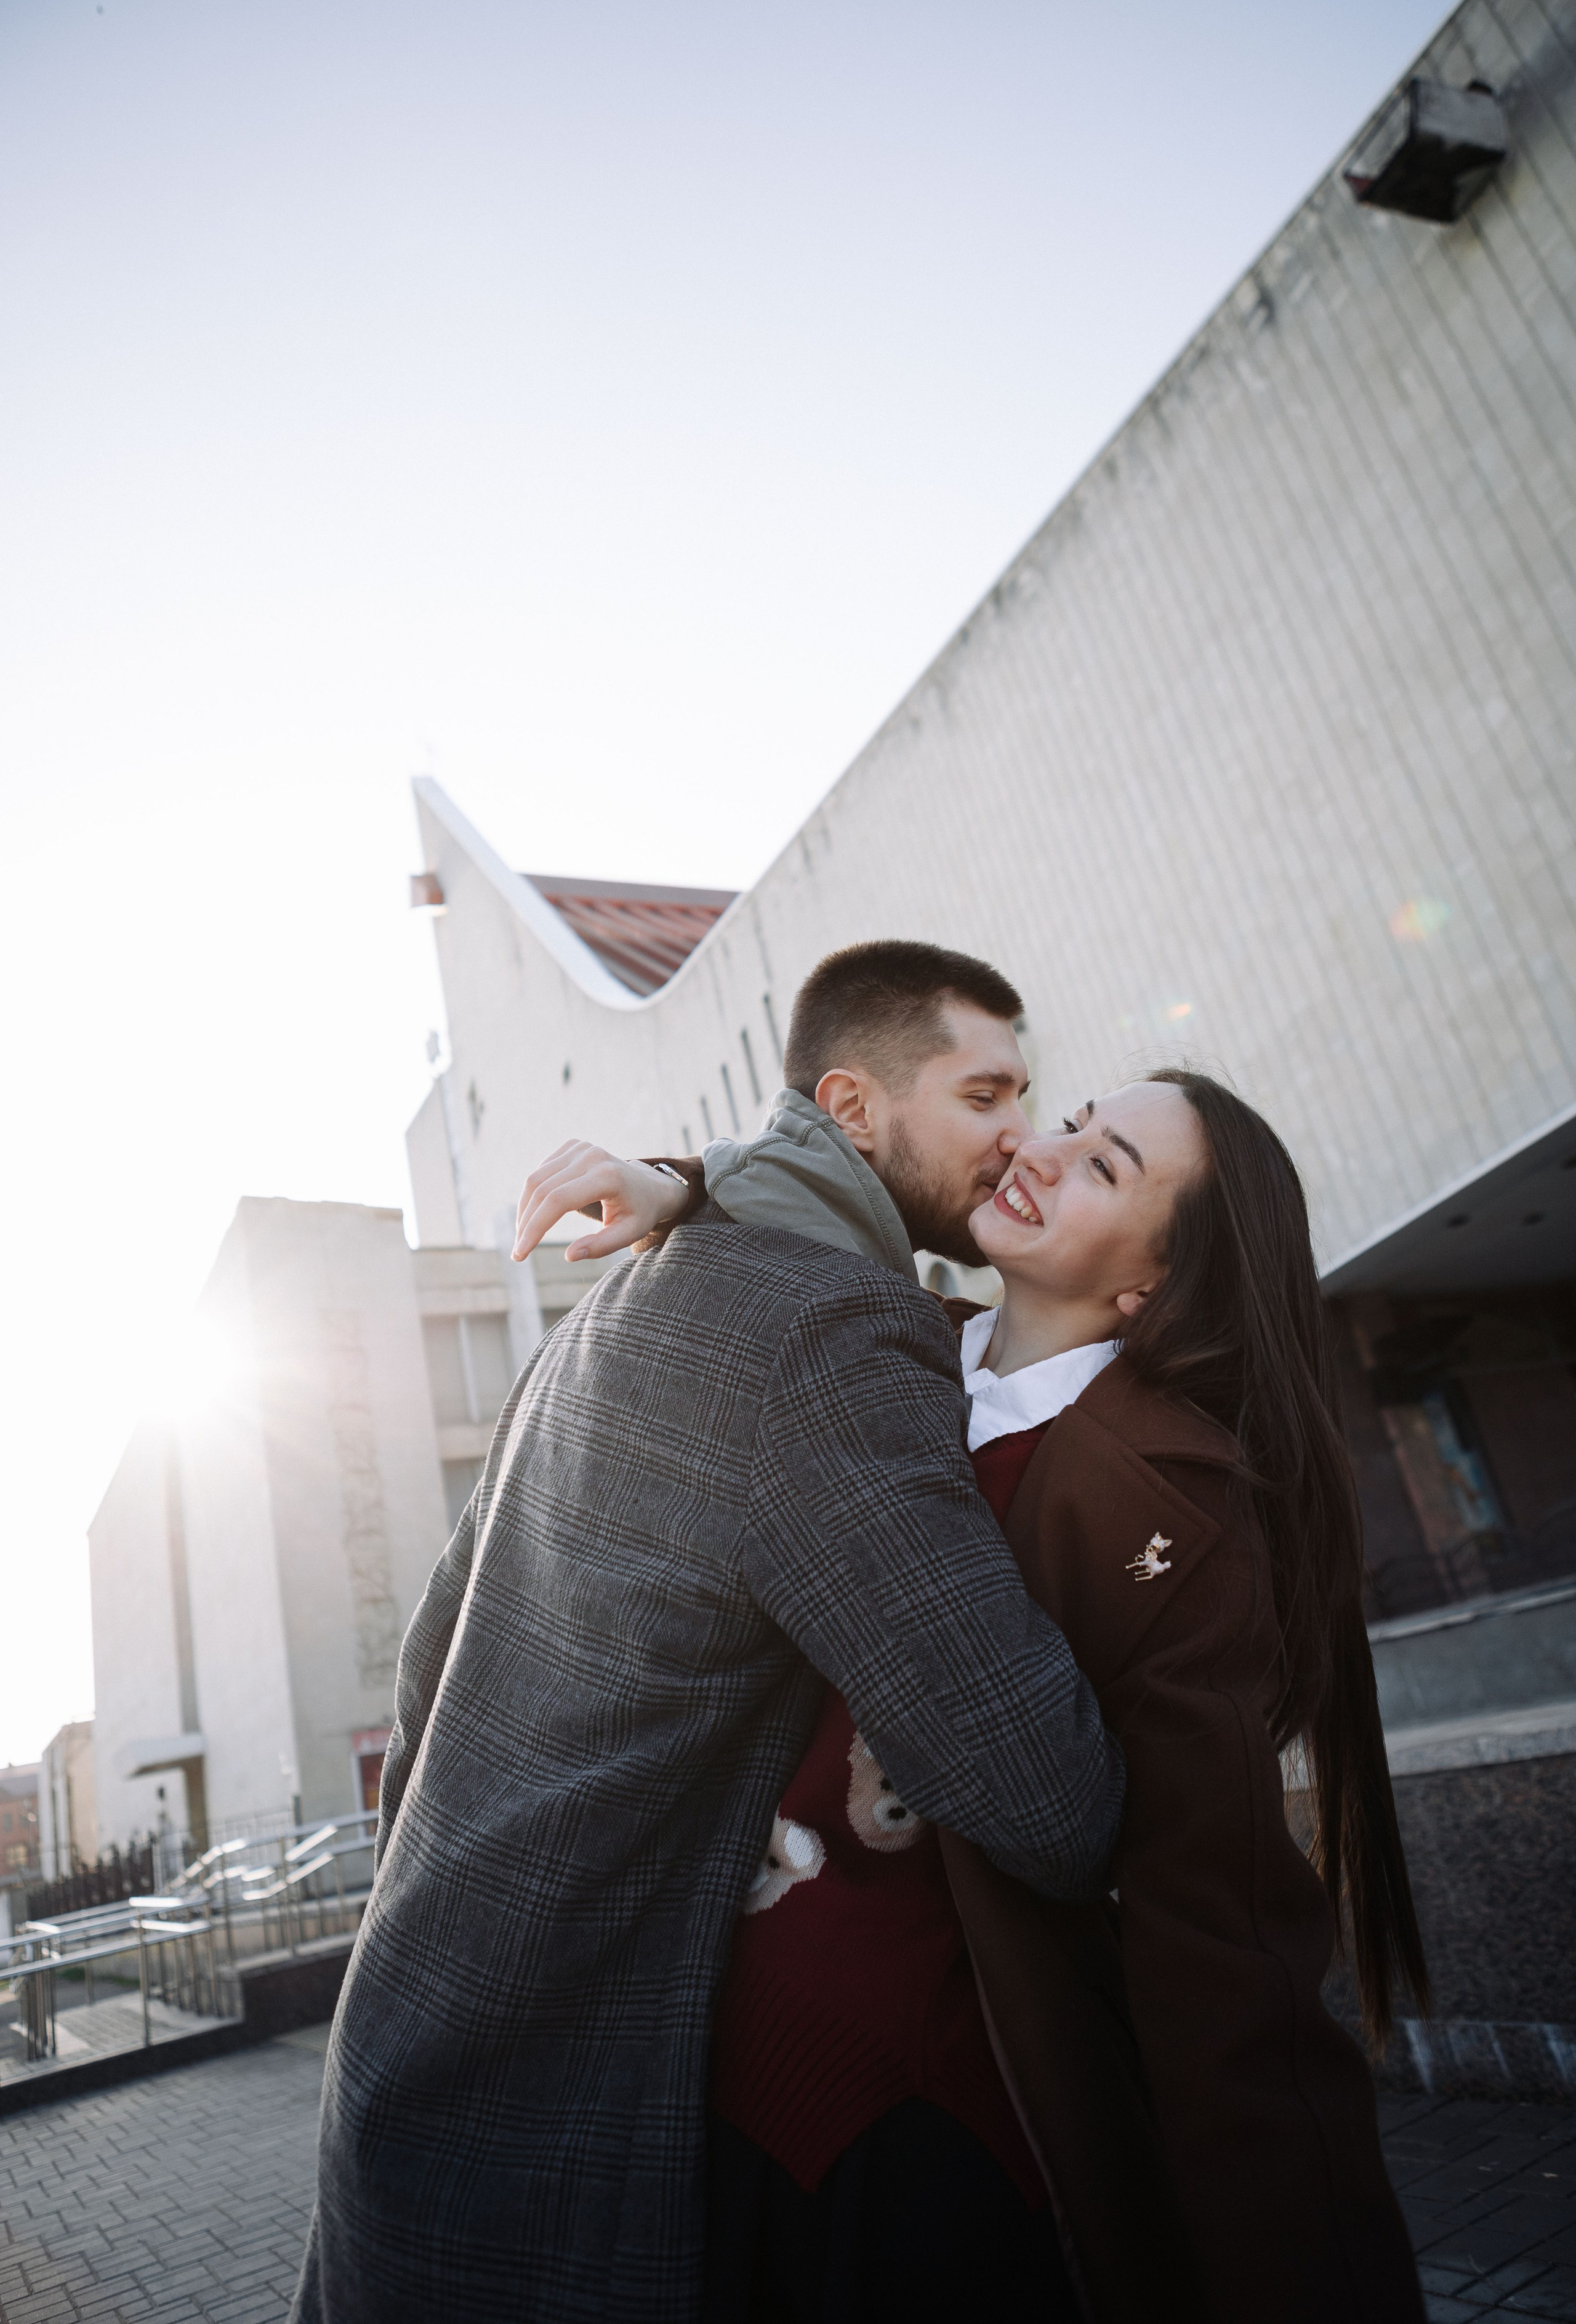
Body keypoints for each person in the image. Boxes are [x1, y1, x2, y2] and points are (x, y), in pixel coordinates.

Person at [291, 941, 1124, 2324]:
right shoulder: (820, 1329)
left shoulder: (626, 1296)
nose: (1018, 1139)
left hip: (422, 2062)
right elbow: (1042, 1797)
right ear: (853, 1108)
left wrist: (696, 1174)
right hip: (568, 2139)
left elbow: (429, 1663)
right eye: (985, 1095)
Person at [539, 1069, 1430, 2323]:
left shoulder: (1173, 1512)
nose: (1043, 1150)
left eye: (1106, 1166)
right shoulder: (878, 1346)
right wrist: (684, 1186)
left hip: (930, 2127)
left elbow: (1214, 1930)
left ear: (1152, 1287)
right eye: (1069, 1121)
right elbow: (799, 1236)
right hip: (682, 2088)